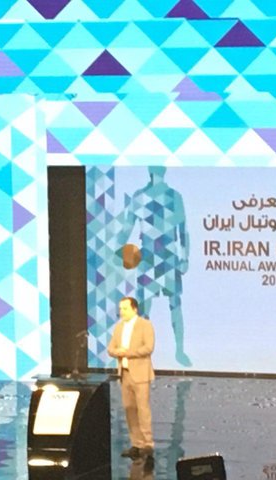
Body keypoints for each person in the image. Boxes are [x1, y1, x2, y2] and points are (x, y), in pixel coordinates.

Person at [119, 166, 191, 366]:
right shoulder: (141, 196)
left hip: (167, 256)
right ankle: (144, 353)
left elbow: (183, 230)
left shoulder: (174, 196)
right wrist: (117, 250)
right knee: (144, 307)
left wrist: (185, 257)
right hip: (149, 256)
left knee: (174, 304)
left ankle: (179, 350)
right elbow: (128, 227)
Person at [108, 297, 155, 460]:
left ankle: (148, 444)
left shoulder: (145, 325)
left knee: (143, 409)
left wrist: (127, 352)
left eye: (125, 308)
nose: (122, 312)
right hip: (125, 373)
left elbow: (148, 348)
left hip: (140, 374)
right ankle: (136, 444)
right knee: (129, 409)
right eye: (120, 309)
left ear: (134, 309)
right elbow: (111, 349)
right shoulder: (119, 327)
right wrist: (118, 352)